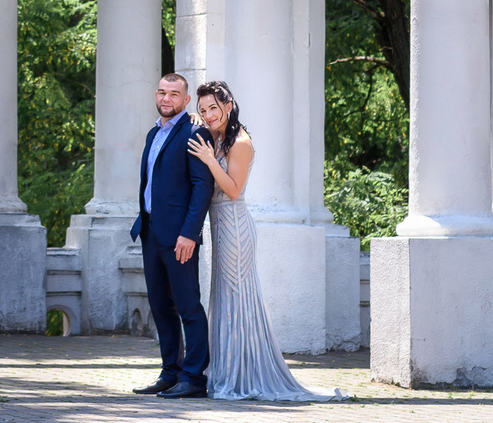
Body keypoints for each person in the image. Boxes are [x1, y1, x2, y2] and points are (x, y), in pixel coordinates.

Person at [185, 81, 347, 403]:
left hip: (234, 227)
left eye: (213, 109)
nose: (208, 115)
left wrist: (208, 159)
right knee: (225, 301)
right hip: (220, 227)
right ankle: (228, 372)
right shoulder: (218, 134)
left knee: (236, 300)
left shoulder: (241, 142)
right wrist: (196, 122)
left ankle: (241, 377)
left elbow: (232, 189)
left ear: (228, 106)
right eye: (203, 110)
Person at [131, 72, 215, 398]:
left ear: (185, 99)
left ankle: (194, 378)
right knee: (160, 306)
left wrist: (189, 234)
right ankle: (170, 372)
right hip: (151, 231)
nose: (167, 99)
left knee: (188, 306)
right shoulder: (154, 132)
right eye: (162, 93)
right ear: (156, 95)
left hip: (180, 237)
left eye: (174, 94)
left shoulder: (194, 133)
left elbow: (201, 187)